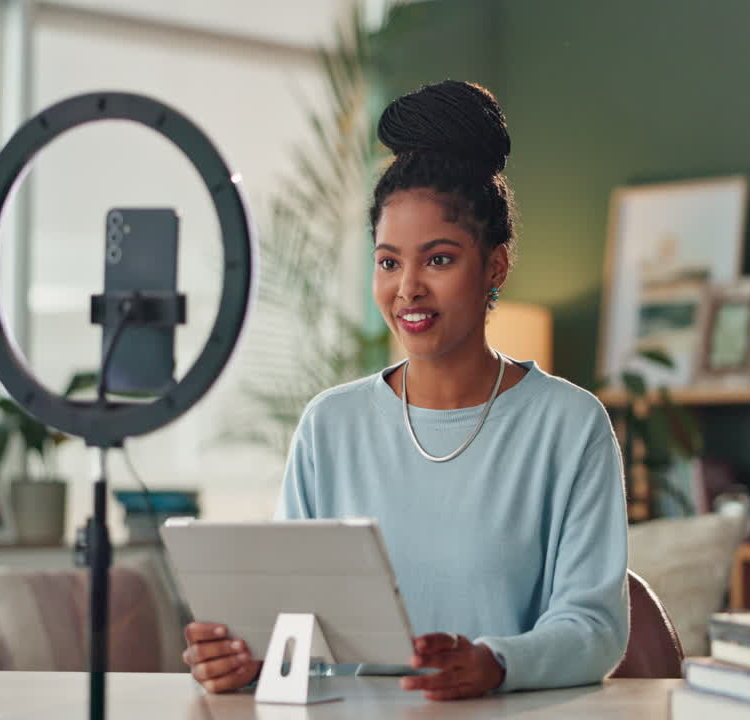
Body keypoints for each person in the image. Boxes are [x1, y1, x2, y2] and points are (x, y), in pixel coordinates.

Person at [182, 80, 629, 701]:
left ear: (494, 265)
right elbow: (297, 626)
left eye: (438, 260)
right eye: (389, 261)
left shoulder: (570, 425)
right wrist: (248, 658)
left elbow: (595, 628)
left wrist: (495, 664)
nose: (407, 289)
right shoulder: (330, 425)